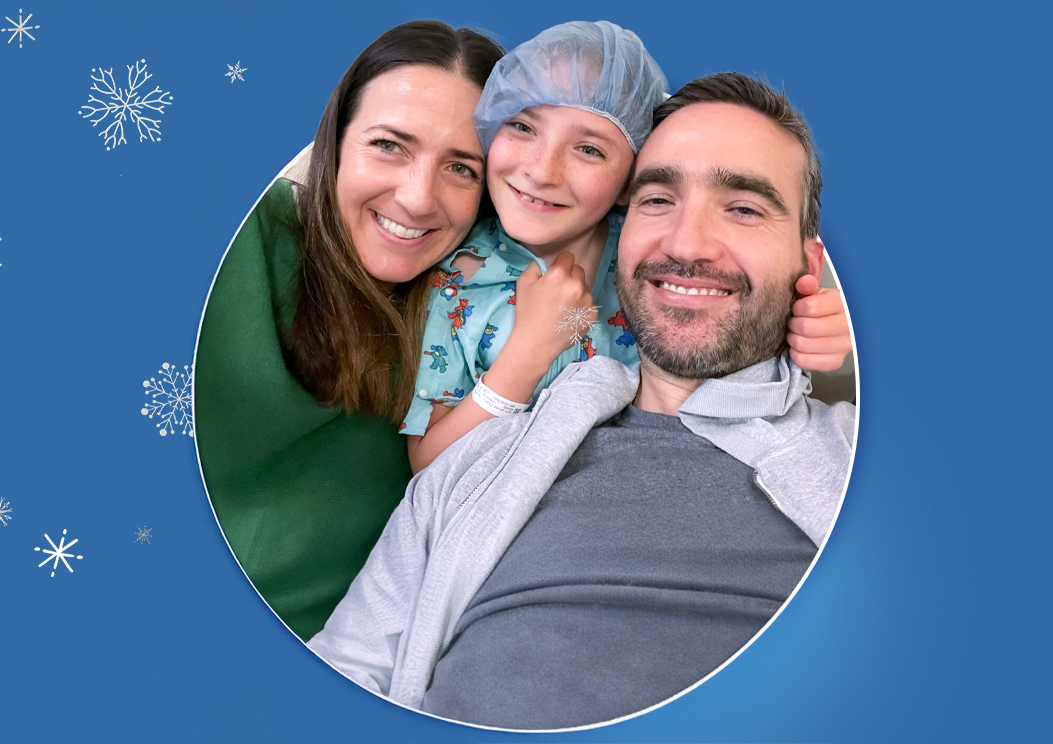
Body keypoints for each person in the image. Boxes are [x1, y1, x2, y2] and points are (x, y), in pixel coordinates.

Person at [308, 72, 857, 730]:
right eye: (657, 200)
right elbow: (338, 677)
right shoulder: (473, 469)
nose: (685, 244)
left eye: (743, 208)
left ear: (809, 259)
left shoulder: (863, 456)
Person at [401, 22, 850, 472]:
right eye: (521, 125)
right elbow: (426, 464)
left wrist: (816, 323)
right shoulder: (454, 282)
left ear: (629, 183)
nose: (542, 171)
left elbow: (750, 308)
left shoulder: (657, 256)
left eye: (590, 150)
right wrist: (524, 357)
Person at [194, 21, 505, 641]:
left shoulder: (475, 312)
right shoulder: (238, 245)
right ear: (335, 143)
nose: (418, 198)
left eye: (462, 168)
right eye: (389, 145)